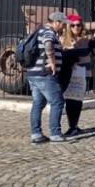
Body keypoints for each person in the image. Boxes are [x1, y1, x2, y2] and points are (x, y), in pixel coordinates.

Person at [26, 12, 70, 143]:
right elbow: (48, 44)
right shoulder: (48, 31)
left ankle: (36, 134)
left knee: (38, 104)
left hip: (33, 73)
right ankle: (55, 133)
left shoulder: (39, 30)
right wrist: (52, 61)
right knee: (57, 102)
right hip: (44, 74)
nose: (63, 28)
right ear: (56, 22)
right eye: (63, 24)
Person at [59, 14, 95, 137]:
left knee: (77, 100)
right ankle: (71, 125)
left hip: (83, 73)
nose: (76, 27)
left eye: (78, 25)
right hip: (69, 73)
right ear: (69, 26)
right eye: (73, 25)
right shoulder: (63, 39)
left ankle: (74, 125)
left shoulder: (87, 39)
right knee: (69, 99)